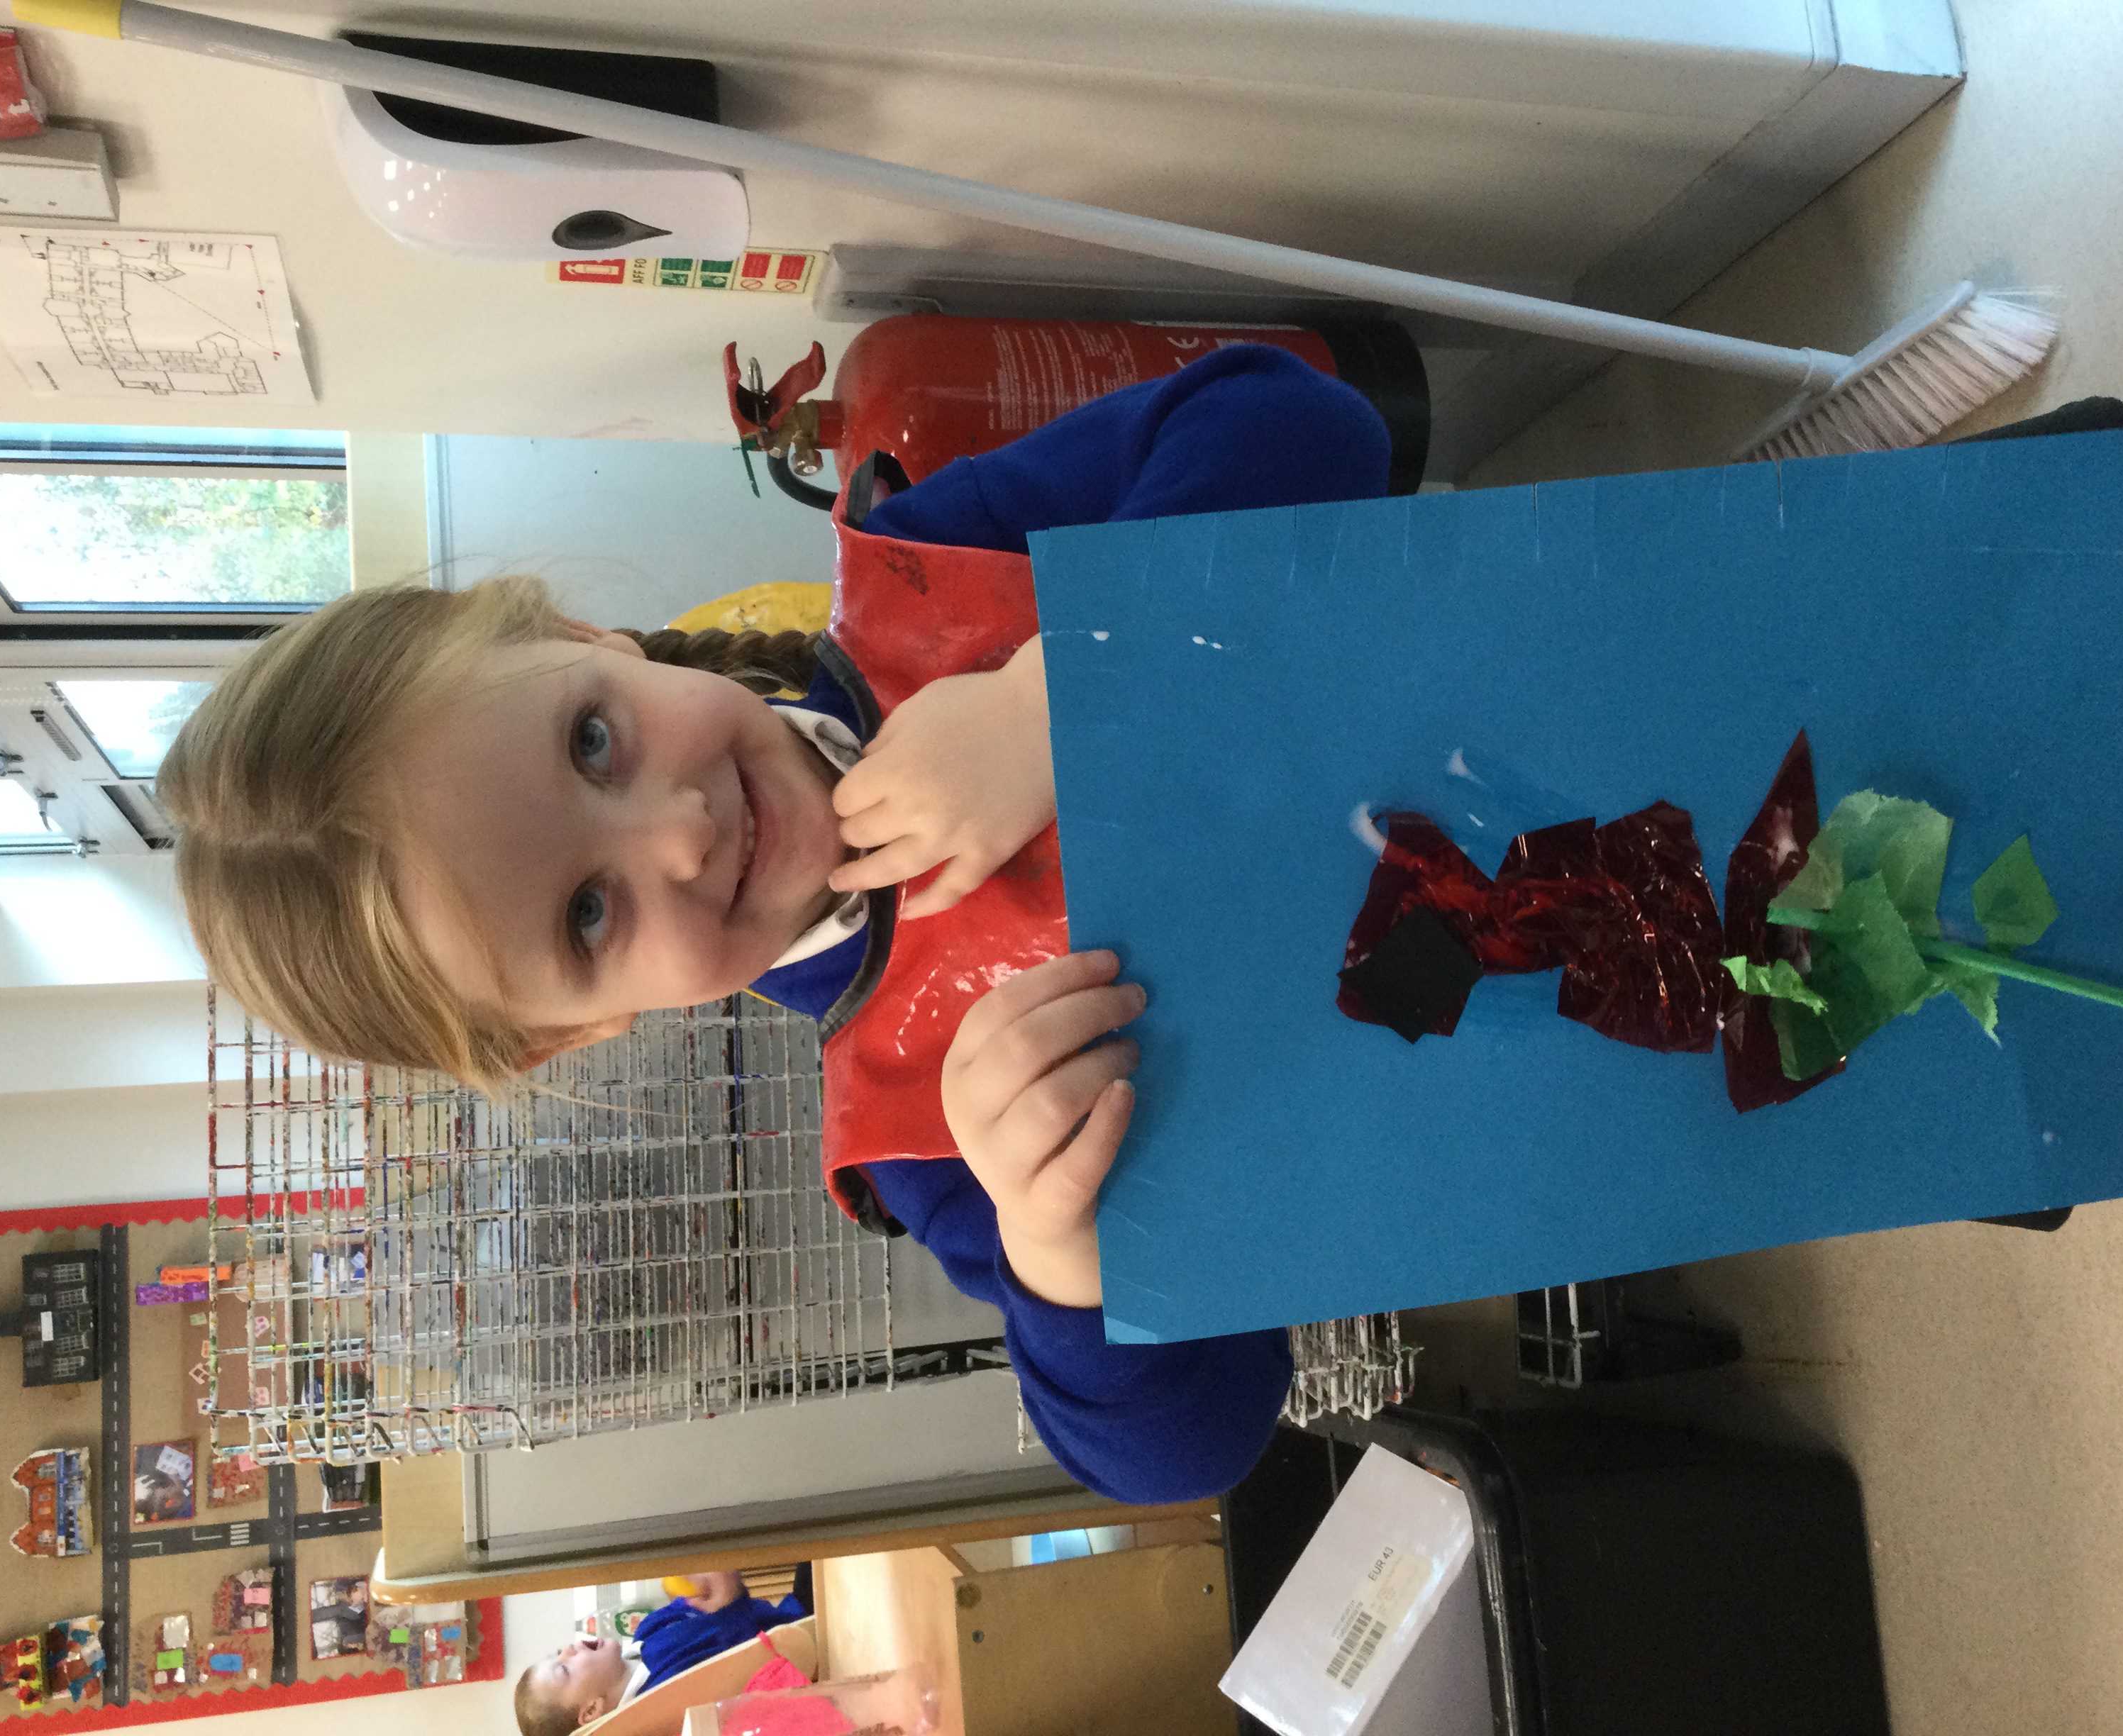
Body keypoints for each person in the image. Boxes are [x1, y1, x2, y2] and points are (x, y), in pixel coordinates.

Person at [157, 345, 1394, 1506]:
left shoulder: (935, 570)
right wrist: (1059, 1245)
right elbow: (1189, 1447)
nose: (681, 831)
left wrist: (1069, 679)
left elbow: (1303, 418)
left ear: (581, 641)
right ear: (571, 1034)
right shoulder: (929, 1124)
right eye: (587, 914)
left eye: (593, 740)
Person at [513, 1574, 804, 1736]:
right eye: (564, 1670)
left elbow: (698, 1605)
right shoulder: (664, 1699)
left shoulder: (645, 1633)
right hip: (808, 1643)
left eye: (558, 1653)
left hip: (792, 1612)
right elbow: (742, 1655)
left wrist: (700, 1587)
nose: (568, 1650)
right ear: (591, 1711)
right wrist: (731, 1599)